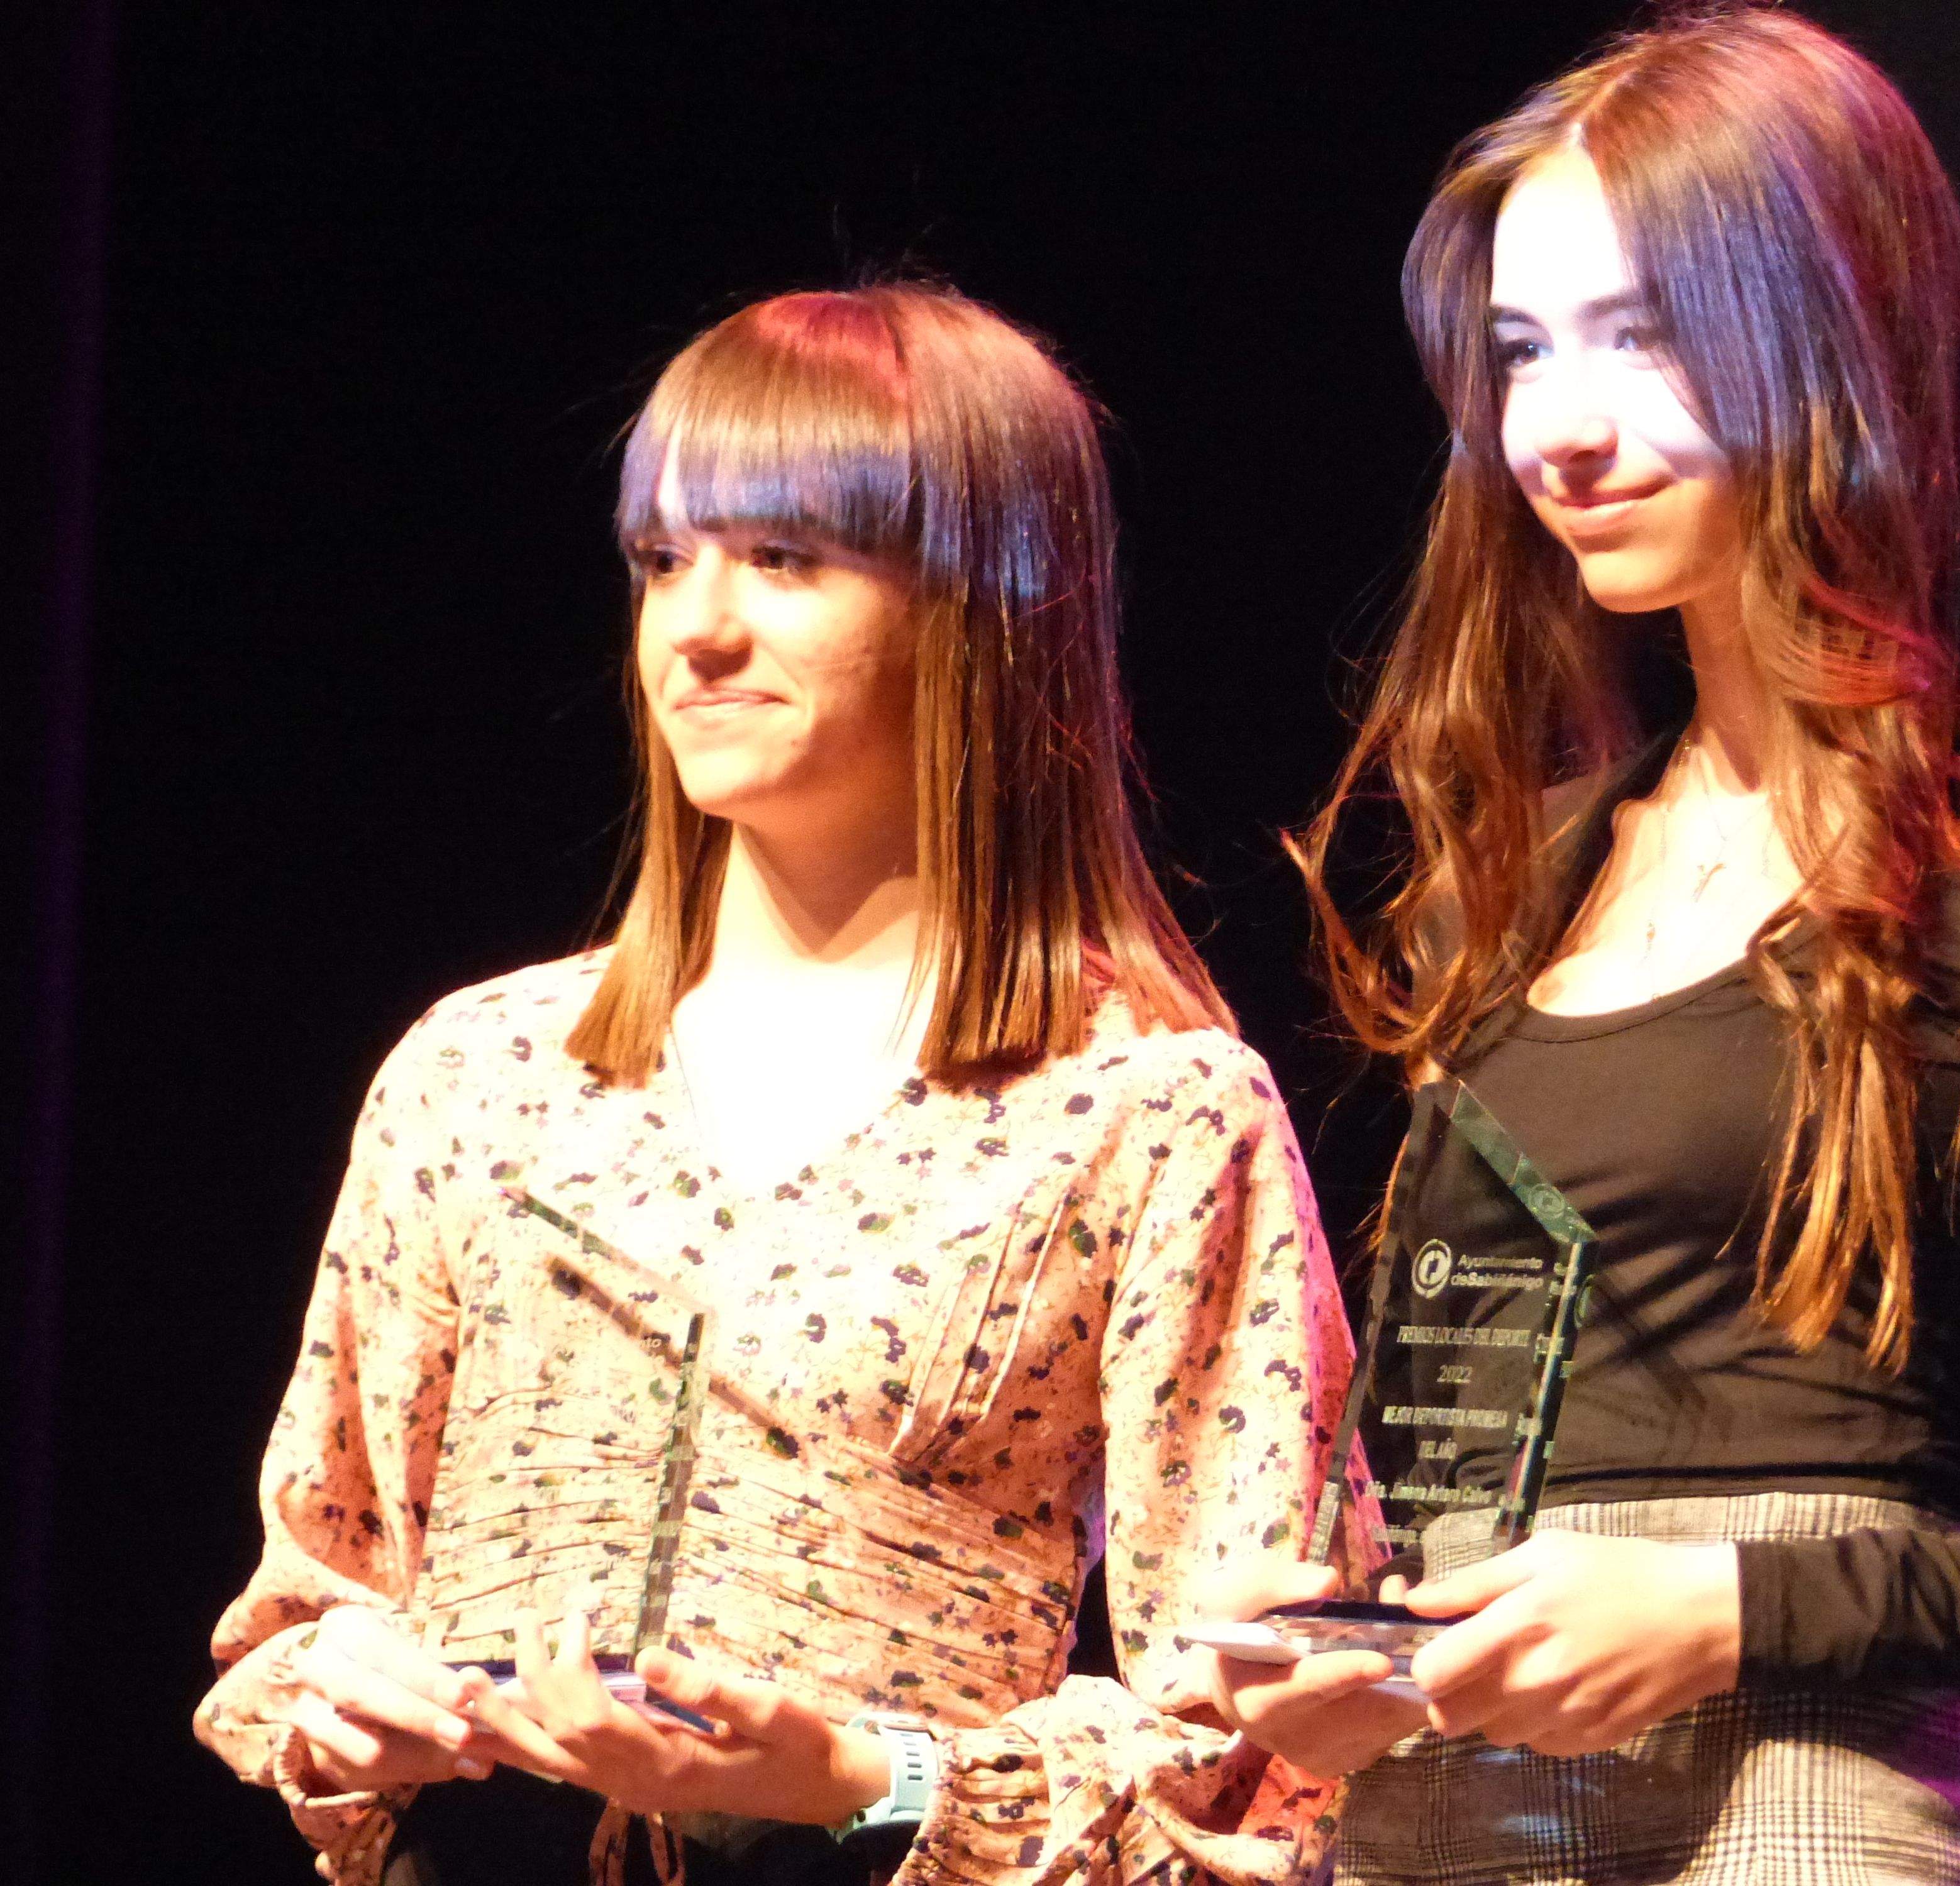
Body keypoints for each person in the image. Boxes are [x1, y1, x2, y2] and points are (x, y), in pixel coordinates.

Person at [1205, 9, 1960, 1882]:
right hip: (1440, 1833)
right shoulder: (1525, 876)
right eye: (1522, 352)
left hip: (1797, 1820)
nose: (1563, 427)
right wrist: (1377, 1646)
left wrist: (1745, 1611)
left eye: (1646, 334)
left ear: (1837, 335)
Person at [196, 285, 1372, 1886]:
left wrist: (857, 1780)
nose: (698, 629)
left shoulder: (1148, 1109)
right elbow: (313, 1598)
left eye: (786, 559)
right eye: (663, 560)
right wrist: (343, 1702)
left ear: (985, 603)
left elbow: (1261, 1742)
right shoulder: (480, 1074)